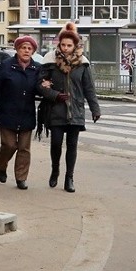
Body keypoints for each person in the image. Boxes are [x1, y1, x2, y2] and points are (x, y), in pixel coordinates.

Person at [39, 22, 101, 193]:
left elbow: (89, 88)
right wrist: (54, 95)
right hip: (56, 109)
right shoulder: (50, 61)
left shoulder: (83, 63)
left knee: (72, 145)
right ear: (59, 44)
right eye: (63, 45)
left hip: (75, 109)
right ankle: (55, 169)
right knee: (56, 143)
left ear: (75, 46)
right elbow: (40, 85)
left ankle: (69, 178)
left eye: (69, 45)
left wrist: (95, 109)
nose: (65, 48)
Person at [0, 35, 42, 189]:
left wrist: (46, 86)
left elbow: (39, 89)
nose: (26, 51)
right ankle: (2, 166)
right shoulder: (7, 65)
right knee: (9, 145)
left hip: (27, 113)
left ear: (33, 52)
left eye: (30, 49)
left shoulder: (36, 68)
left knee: (24, 148)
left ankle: (21, 178)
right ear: (17, 49)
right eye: (23, 47)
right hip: (7, 113)